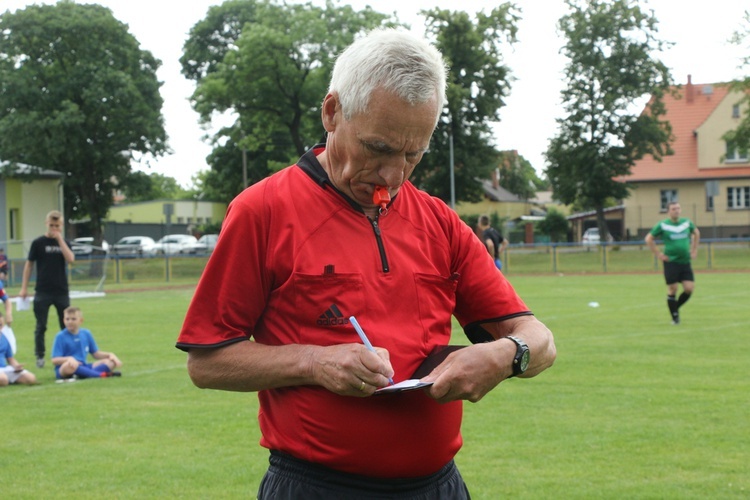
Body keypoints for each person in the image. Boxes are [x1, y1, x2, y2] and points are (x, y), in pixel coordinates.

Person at [176, 28, 556, 499]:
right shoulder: (264, 211)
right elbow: (206, 362)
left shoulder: (438, 221)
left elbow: (540, 340)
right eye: (378, 148)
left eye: (413, 154)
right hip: (317, 487)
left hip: (439, 487)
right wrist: (314, 361)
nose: (394, 175)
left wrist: (505, 355)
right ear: (332, 112)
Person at [19, 210, 75, 368]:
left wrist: (59, 240)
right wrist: (24, 288)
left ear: (62, 226)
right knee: (41, 325)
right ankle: (40, 356)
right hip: (42, 291)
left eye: (57, 226)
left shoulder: (64, 242)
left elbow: (70, 259)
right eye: (51, 225)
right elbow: (29, 265)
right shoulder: (38, 243)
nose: (54, 228)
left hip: (61, 291)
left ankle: (67, 356)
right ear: (46, 224)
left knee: (66, 325)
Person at [645, 201, 700, 325]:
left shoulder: (686, 223)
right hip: (671, 262)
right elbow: (649, 238)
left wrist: (694, 249)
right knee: (673, 288)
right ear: (668, 211)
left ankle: (674, 307)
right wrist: (658, 254)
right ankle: (675, 317)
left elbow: (696, 232)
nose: (676, 210)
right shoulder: (663, 225)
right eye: (673, 208)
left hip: (685, 261)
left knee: (689, 288)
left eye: (678, 208)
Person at [51, 306, 122, 381]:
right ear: (63, 320)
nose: (70, 322)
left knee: (110, 362)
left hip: (84, 365)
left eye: (73, 319)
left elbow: (96, 354)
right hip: (67, 368)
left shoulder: (86, 333)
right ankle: (101, 375)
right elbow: (54, 360)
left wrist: (110, 355)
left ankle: (84, 374)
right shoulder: (60, 336)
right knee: (69, 366)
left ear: (81, 321)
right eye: (67, 319)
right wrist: (69, 359)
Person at [0, 312, 37, 386]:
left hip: (4, 368)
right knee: (3, 379)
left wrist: (16, 366)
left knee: (31, 378)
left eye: (1, 325)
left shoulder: (4, 338)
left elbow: (10, 358)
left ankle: (8, 379)